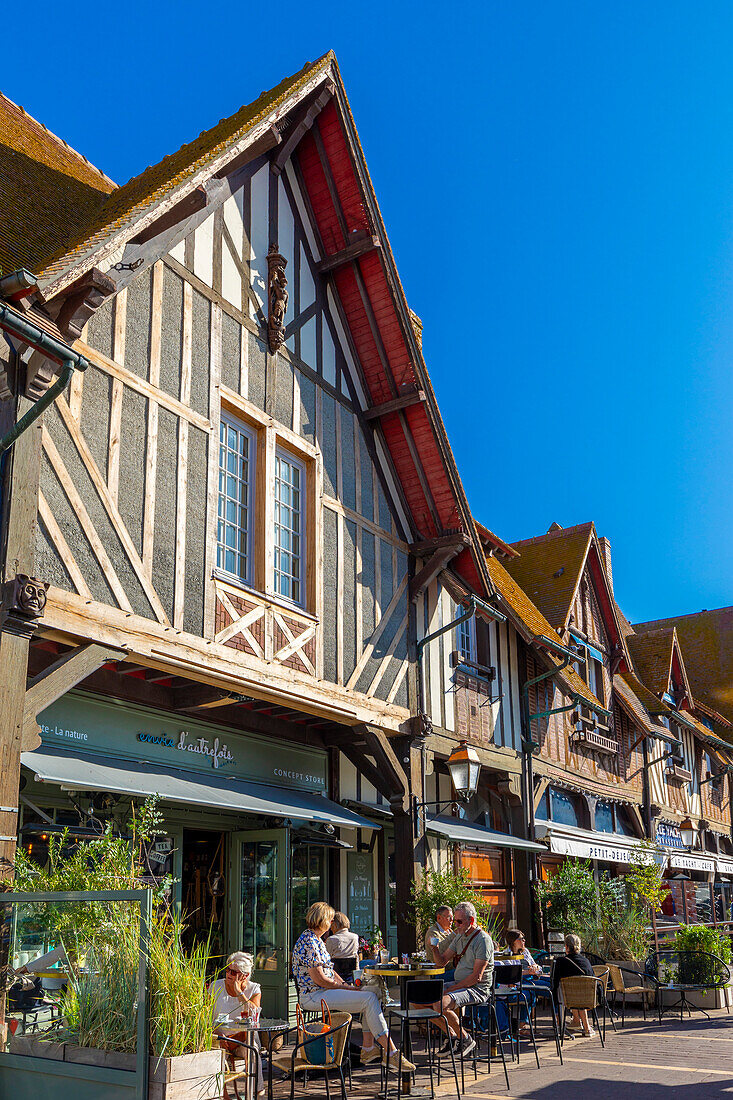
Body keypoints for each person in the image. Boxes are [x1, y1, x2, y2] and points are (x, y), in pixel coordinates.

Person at [292, 901, 415, 1072]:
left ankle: (369, 1049)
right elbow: (320, 979)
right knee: (369, 998)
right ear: (323, 920)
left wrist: (344, 984)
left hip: (324, 991)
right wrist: (345, 988)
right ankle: (390, 1052)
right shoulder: (309, 942)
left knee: (373, 993)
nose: (331, 923)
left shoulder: (317, 940)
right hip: (314, 996)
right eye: (330, 919)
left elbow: (329, 971)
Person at [420, 900, 494, 1057]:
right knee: (417, 1000)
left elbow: (476, 977)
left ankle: (465, 1038)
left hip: (477, 988)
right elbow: (441, 962)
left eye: (459, 921)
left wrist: (450, 989)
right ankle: (453, 1035)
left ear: (471, 920)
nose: (456, 925)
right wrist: (434, 949)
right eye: (455, 921)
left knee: (440, 1003)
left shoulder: (483, 940)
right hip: (460, 984)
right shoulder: (459, 936)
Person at [211, 951, 264, 1094]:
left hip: (243, 1038)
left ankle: (252, 1092)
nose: (228, 974)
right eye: (228, 969)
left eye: (234, 972)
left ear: (244, 976)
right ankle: (223, 1095)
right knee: (215, 1053)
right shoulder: (215, 986)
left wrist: (239, 993)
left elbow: (254, 1016)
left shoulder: (254, 989)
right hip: (220, 1039)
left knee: (251, 1050)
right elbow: (205, 1018)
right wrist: (218, 1038)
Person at [550, 933, 596, 1037]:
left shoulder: (561, 961)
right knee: (578, 990)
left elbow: (555, 980)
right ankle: (584, 1025)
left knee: (562, 990)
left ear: (566, 947)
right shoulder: (586, 961)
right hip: (588, 999)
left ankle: (565, 1025)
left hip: (568, 1000)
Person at [325, 912, 360, 982]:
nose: (330, 928)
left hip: (335, 976)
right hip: (352, 975)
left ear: (334, 924)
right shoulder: (355, 937)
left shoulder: (331, 939)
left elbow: (326, 959)